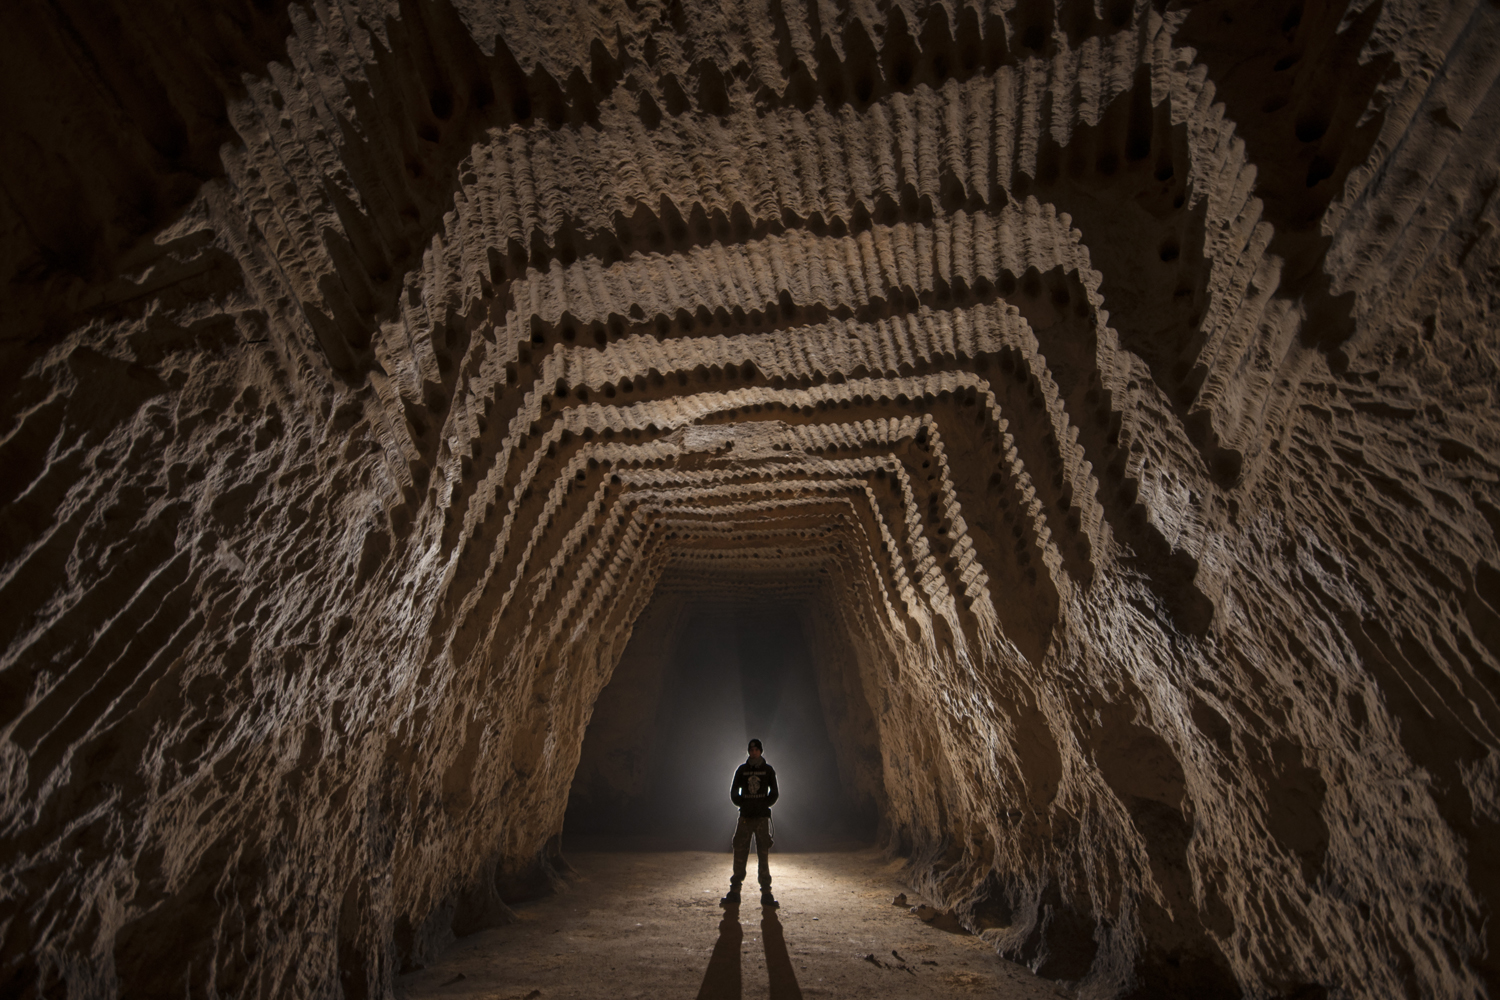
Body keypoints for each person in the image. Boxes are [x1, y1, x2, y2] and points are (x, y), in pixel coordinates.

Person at [723, 738, 779, 907]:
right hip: (746, 817)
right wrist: (744, 804)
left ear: (760, 751)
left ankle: (766, 892)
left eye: (756, 750)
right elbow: (733, 792)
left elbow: (775, 792)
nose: (753, 752)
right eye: (751, 749)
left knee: (763, 853)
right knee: (740, 851)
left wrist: (763, 805)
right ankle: (735, 890)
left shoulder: (768, 771)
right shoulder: (742, 770)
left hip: (761, 818)